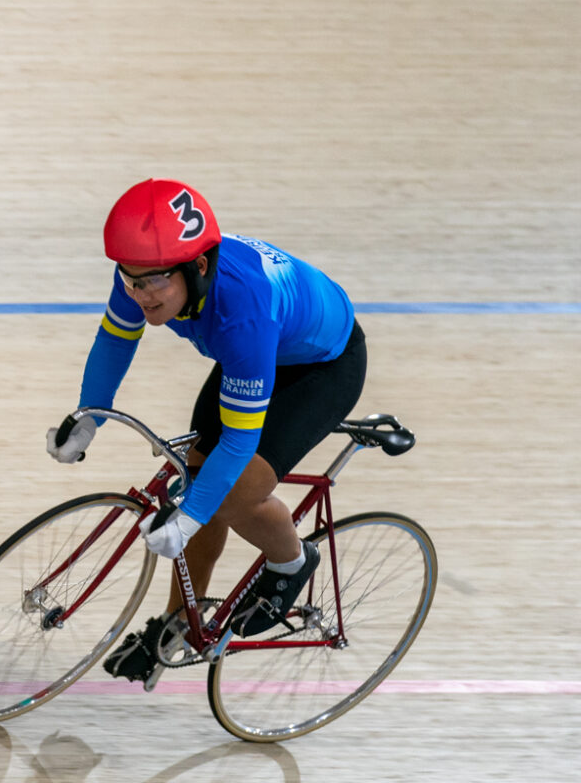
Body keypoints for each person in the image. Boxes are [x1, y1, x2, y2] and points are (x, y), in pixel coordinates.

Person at [45, 178, 366, 680]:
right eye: (131, 280)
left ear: (196, 268)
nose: (140, 295)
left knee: (231, 495)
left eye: (153, 283)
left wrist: (191, 516)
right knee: (197, 482)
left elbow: (239, 442)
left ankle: (290, 562)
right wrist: (91, 415)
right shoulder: (144, 268)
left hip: (321, 367)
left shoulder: (240, 312)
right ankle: (176, 625)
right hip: (263, 350)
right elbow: (114, 340)